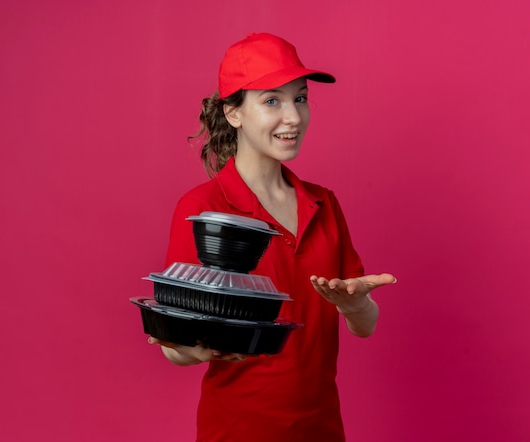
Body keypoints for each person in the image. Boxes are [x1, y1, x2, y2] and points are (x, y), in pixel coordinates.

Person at [148, 32, 396, 442]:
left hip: (321, 429)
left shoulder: (323, 204)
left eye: (299, 98)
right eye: (271, 101)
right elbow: (175, 347)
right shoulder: (203, 209)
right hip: (237, 431)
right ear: (233, 113)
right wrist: (194, 348)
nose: (294, 117)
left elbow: (365, 326)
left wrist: (355, 305)